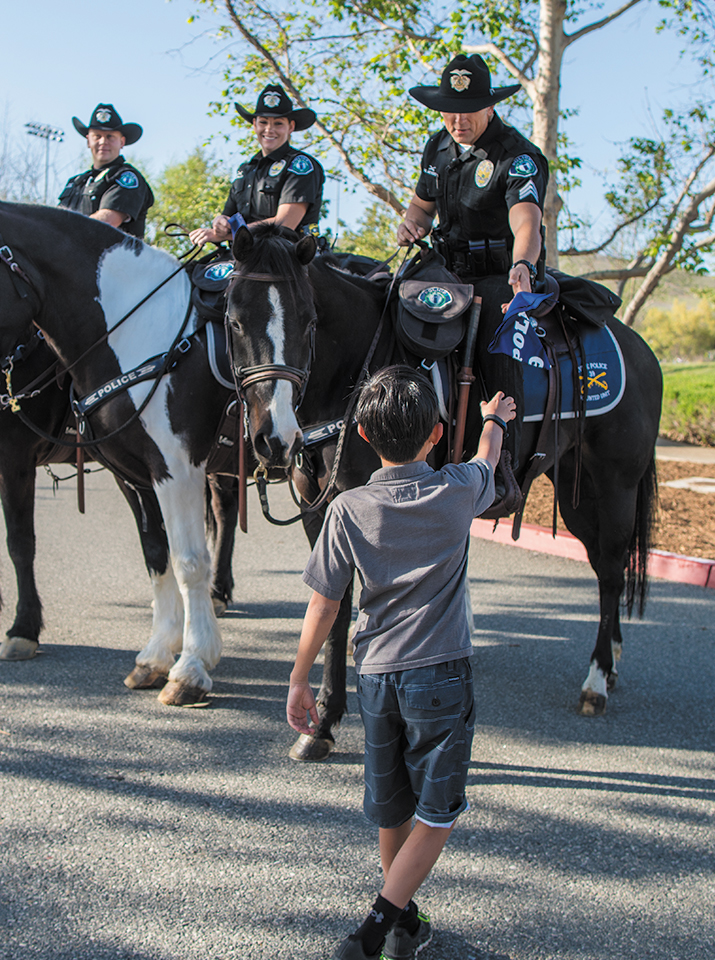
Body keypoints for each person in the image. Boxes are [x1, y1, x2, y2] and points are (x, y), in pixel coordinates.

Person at [287, 364, 517, 960]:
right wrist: (492, 419)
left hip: (376, 678)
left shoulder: (347, 509)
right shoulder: (459, 488)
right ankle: (372, 929)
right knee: (438, 813)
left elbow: (325, 601)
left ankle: (403, 925)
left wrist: (300, 675)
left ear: (363, 434)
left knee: (393, 804)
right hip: (440, 675)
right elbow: (489, 457)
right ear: (437, 434)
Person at [394, 53, 549, 510]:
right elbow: (421, 206)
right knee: (388, 310)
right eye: (449, 111)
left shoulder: (516, 154)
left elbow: (527, 221)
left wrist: (523, 264)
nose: (457, 121)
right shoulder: (437, 147)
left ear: (489, 107)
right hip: (445, 269)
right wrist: (410, 225)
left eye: (467, 111)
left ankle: (502, 471)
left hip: (498, 273)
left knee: (493, 339)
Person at [188, 84, 325, 246]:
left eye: (278, 123)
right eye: (263, 122)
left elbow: (285, 223)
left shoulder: (300, 165)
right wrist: (220, 222)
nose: (269, 129)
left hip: (287, 255)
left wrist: (229, 234)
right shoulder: (245, 170)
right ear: (254, 124)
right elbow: (228, 215)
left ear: (291, 127)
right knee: (194, 271)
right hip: (245, 254)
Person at [58, 103, 154, 240]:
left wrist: (60, 235)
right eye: (97, 136)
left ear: (122, 142)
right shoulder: (76, 182)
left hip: (115, 260)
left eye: (110, 137)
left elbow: (107, 221)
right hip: (72, 257)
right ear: (88, 141)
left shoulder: (127, 177)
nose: (103, 142)